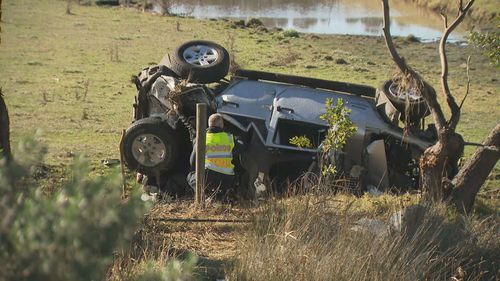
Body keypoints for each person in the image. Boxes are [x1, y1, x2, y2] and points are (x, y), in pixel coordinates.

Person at [188, 113, 245, 200]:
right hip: (227, 179)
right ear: (222, 124)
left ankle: (203, 196)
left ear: (209, 124)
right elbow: (241, 148)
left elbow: (192, 161)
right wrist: (239, 138)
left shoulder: (201, 139)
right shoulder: (229, 138)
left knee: (190, 176)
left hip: (208, 178)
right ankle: (224, 195)